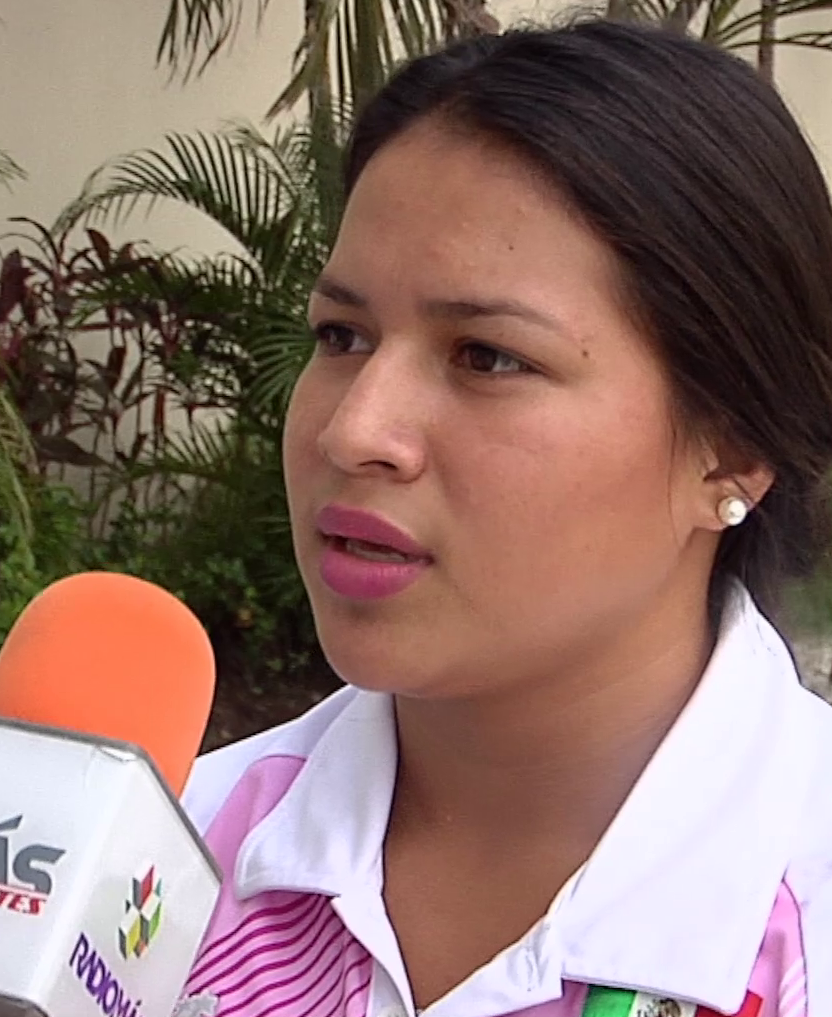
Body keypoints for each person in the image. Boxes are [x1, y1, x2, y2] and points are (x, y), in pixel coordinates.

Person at [176, 18, 832, 1017]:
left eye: (486, 356)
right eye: (342, 335)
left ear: (732, 448)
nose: (355, 431)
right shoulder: (163, 869)